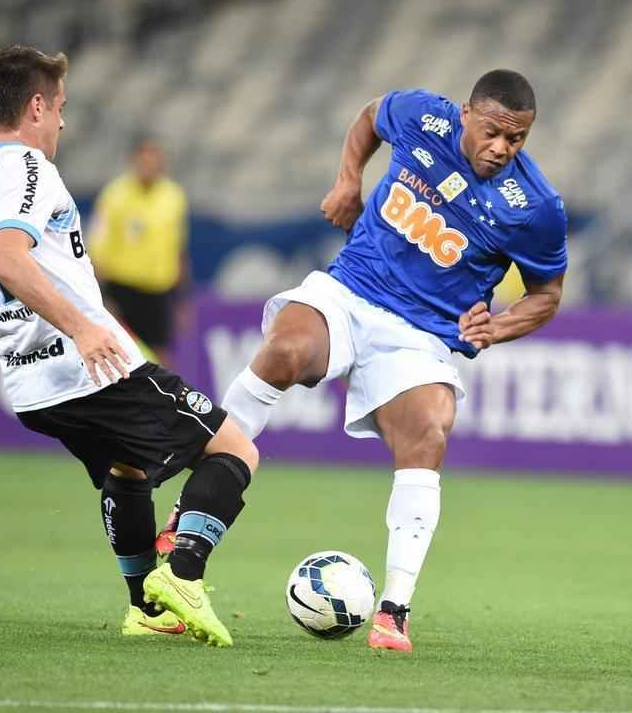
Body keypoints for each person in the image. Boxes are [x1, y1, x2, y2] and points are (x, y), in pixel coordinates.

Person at [0, 44, 256, 647]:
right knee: (235, 449)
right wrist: (84, 327)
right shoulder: (30, 170)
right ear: (36, 107)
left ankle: (146, 609)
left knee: (128, 468)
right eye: (60, 107)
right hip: (87, 367)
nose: (63, 122)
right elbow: (8, 259)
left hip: (30, 387)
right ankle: (183, 576)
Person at [213, 70, 567, 652]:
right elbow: (369, 116)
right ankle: (190, 522)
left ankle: (394, 611)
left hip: (420, 335)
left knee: (430, 432)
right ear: (465, 114)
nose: (502, 148)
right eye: (493, 132)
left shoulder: (535, 207)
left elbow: (546, 294)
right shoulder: (421, 115)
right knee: (283, 351)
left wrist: (497, 327)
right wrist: (348, 178)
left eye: (517, 138)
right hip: (352, 290)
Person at [88, 137, 189, 367]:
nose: (149, 166)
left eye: (154, 161)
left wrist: (182, 299)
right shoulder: (114, 195)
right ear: (134, 162)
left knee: (160, 357)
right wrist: (101, 294)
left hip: (159, 290)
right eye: (144, 161)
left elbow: (178, 249)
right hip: (123, 288)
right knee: (120, 352)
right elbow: (97, 246)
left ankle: (158, 392)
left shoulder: (173, 196)